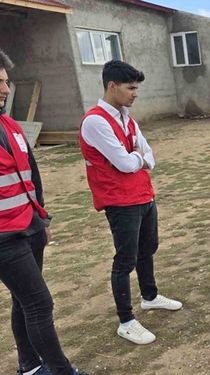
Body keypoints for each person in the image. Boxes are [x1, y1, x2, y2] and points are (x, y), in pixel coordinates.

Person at [79, 60, 182, 345]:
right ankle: (126, 320)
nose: (135, 93)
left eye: (136, 88)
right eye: (131, 88)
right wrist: (137, 157)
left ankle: (149, 296)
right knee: (124, 260)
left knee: (147, 249)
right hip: (120, 201)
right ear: (112, 86)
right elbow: (126, 163)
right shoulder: (96, 121)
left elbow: (151, 156)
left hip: (143, 194)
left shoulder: (127, 117)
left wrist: (138, 157)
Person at [0, 50, 88, 375]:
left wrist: (42, 219)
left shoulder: (10, 125)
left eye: (5, 82)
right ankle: (60, 370)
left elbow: (31, 176)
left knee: (23, 299)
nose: (6, 90)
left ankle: (29, 366)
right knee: (39, 303)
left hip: (30, 227)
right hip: (4, 239)